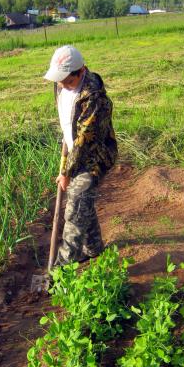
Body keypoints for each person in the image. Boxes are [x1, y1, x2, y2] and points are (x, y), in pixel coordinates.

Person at [44, 45, 117, 267]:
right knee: (81, 201)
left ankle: (61, 270)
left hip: (95, 156)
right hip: (75, 151)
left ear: (81, 70)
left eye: (68, 81)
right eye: (60, 80)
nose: (62, 85)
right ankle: (93, 249)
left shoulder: (94, 98)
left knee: (74, 211)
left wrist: (66, 172)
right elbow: (69, 123)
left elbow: (85, 142)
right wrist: (66, 143)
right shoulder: (61, 86)